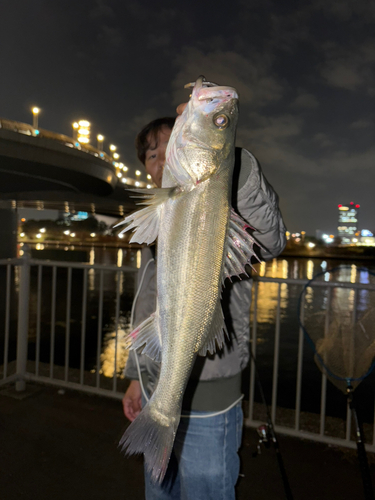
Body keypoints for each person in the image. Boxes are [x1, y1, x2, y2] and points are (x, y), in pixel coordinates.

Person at [122, 104, 287, 499]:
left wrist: (232, 161)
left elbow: (272, 240)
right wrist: (135, 377)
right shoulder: (159, 219)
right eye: (152, 154)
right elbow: (149, 306)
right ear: (146, 168)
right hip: (154, 390)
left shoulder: (222, 201)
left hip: (211, 407)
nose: (161, 158)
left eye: (171, 144)